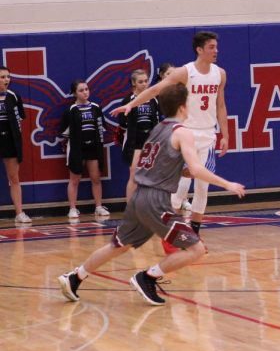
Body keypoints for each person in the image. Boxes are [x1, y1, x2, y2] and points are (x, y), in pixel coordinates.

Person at [58, 83, 246, 306]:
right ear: (184, 106)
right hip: (156, 200)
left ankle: (74, 277)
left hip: (139, 196)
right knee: (196, 249)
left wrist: (180, 170)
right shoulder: (182, 132)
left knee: (118, 245)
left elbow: (165, 163)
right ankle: (147, 277)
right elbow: (195, 169)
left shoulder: (158, 128)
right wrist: (227, 184)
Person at [113, 31, 229, 237]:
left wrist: (226, 135)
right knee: (182, 184)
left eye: (217, 47)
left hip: (208, 135)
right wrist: (131, 104)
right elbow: (156, 89)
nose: (216, 51)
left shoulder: (220, 73)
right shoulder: (186, 72)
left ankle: (194, 233)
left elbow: (221, 106)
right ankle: (168, 230)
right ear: (199, 49)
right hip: (187, 134)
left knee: (203, 187)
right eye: (211, 47)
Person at [61, 80, 109, 219]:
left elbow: (101, 128)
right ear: (75, 93)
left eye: (87, 89)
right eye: (81, 90)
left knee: (96, 178)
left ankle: (99, 206)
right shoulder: (71, 110)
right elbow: (65, 132)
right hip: (77, 149)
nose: (85, 92)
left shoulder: (95, 108)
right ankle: (72, 208)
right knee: (74, 180)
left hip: (93, 148)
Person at [117, 69, 160, 202]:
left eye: (146, 81)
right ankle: (130, 208)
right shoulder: (127, 100)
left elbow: (157, 120)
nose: (144, 84)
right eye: (140, 82)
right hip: (134, 142)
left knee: (151, 176)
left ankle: (149, 206)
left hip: (150, 142)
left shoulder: (154, 100)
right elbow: (123, 122)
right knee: (134, 175)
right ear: (133, 83)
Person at [0, 66, 29, 223]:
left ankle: (19, 213)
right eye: (2, 77)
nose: (6, 80)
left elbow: (20, 121)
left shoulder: (14, 96)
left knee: (14, 177)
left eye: (8, 76)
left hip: (9, 141)